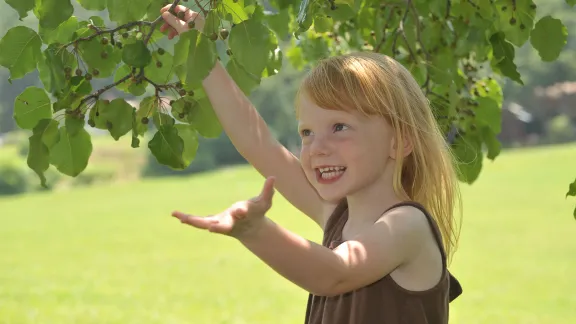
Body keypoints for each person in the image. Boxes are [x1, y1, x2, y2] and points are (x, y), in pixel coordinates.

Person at [160, 5, 463, 323]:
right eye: (307, 132)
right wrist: (203, 53)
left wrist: (256, 231)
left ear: (399, 141)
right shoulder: (337, 217)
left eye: (339, 127)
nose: (317, 148)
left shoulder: (406, 227)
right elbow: (256, 142)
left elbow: (335, 274)